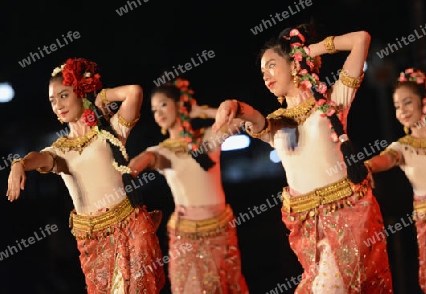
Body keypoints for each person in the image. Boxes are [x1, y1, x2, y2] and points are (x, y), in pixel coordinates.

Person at [213, 24, 393, 293]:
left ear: (294, 64)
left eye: (272, 65)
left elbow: (361, 39)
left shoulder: (333, 100)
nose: (266, 76)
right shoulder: (277, 124)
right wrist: (233, 105)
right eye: (263, 70)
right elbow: (252, 116)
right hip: (308, 226)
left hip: (348, 217)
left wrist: (309, 50)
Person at [6, 57, 165, 293]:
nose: (58, 105)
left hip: (131, 229)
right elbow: (38, 158)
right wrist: (19, 164)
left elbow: (134, 92)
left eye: (64, 95)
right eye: (52, 100)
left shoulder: (110, 133)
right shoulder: (60, 149)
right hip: (92, 240)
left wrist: (100, 97)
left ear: (80, 91)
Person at [128, 78, 248, 294]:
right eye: (154, 110)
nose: (159, 113)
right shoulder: (161, 152)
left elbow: (240, 119)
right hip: (186, 237)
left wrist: (199, 111)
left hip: (221, 230)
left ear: (180, 104)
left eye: (163, 104)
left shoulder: (208, 139)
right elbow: (134, 168)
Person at [364, 68, 426, 293]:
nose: (402, 110)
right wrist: (368, 166)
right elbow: (385, 159)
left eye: (407, 102)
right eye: (396, 106)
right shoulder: (402, 146)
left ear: (424, 102)